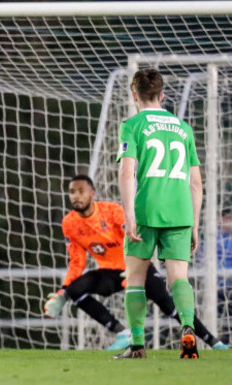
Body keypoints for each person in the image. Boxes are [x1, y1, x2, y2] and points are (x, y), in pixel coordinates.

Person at [44, 175, 226, 351]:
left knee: (167, 304)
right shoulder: (69, 223)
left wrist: (133, 270)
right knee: (74, 291)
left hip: (137, 264)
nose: (76, 196)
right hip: (109, 271)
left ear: (92, 193)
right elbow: (77, 261)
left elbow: (134, 238)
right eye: (72, 192)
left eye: (81, 191)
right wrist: (63, 292)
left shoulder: (111, 211)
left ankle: (214, 342)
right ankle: (123, 333)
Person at [115, 69, 202, 359]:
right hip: (181, 212)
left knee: (136, 278)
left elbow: (127, 171)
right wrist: (195, 224)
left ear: (134, 95)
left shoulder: (132, 125)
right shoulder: (183, 127)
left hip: (146, 211)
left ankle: (137, 345)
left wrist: (129, 214)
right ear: (162, 95)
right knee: (179, 278)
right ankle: (188, 328)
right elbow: (196, 182)